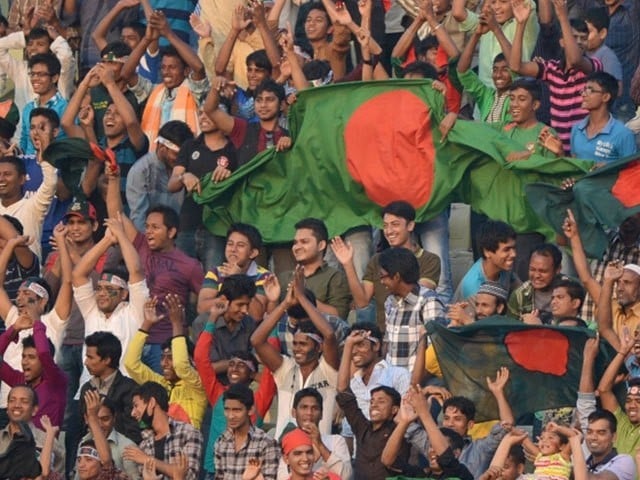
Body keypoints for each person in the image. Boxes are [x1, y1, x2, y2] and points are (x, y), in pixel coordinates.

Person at [106, 164, 204, 372]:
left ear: (172, 232)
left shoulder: (190, 265)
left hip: (167, 346)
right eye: (148, 227)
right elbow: (116, 214)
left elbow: (205, 300)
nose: (149, 232)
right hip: (135, 338)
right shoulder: (140, 245)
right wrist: (114, 179)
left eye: (155, 228)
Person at [251, 267, 339, 437]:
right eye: (295, 343)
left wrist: (301, 297)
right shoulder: (286, 368)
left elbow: (329, 334)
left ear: (318, 347)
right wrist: (285, 304)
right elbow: (256, 340)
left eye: (303, 344)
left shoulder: (328, 371)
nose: (297, 348)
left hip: (318, 454)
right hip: (285, 454)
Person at [331, 200, 440, 330]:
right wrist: (348, 264)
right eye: (385, 226)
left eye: (395, 224)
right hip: (384, 333)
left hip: (415, 329)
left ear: (410, 225)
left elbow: (418, 295)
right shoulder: (377, 260)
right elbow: (362, 301)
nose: (389, 231)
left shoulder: (429, 260)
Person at [195, 306, 277, 479]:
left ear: (252, 373)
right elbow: (201, 360)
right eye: (231, 364)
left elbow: (271, 372)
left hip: (247, 471)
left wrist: (272, 324)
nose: (233, 368)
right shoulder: (218, 393)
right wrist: (212, 319)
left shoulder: (257, 403)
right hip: (213, 471)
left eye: (241, 365)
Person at [509, 0, 601, 155]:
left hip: (582, 151)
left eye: (583, 38)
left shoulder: (592, 66)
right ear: (562, 42)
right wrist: (520, 24)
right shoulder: (552, 69)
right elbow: (516, 66)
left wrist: (563, 17)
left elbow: (575, 60)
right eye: (574, 37)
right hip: (557, 149)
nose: (579, 42)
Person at [72, 214, 147, 383]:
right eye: (99, 288)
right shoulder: (92, 311)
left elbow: (136, 271)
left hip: (124, 391)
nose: (102, 293)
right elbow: (78, 274)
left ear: (124, 294)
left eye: (109, 289)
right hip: (88, 389)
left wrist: (120, 235)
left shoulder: (134, 312)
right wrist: (106, 241)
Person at [406, 371, 514, 478]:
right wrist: (426, 390)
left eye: (457, 419)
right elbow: (405, 422)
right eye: (447, 418)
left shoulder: (480, 448)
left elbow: (507, 425)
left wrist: (498, 393)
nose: (450, 424)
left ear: (470, 424)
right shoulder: (431, 444)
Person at [167, 110, 237, 271]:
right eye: (200, 113)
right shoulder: (190, 146)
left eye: (209, 113)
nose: (203, 117)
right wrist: (184, 176)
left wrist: (230, 176)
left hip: (218, 226)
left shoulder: (234, 149)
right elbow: (171, 184)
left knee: (213, 280)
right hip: (188, 223)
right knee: (182, 277)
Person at [124, 295, 207, 428]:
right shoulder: (161, 384)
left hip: (187, 445)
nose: (163, 363)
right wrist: (147, 324)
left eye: (170, 357)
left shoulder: (197, 385)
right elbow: (130, 364)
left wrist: (176, 323)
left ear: (190, 360)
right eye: (162, 357)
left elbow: (181, 366)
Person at [127, 11, 208, 146]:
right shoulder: (154, 91)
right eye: (163, 67)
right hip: (156, 158)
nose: (166, 72)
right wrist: (146, 39)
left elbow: (199, 68)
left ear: (186, 70)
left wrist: (168, 34)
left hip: (186, 158)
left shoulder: (194, 91)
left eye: (172, 67)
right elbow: (127, 74)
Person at [339, 325, 410, 447]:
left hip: (391, 454)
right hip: (361, 459)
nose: (354, 351)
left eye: (360, 345)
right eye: (352, 346)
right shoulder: (354, 383)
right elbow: (348, 433)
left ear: (376, 346)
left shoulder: (398, 375)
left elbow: (406, 419)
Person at [382, 386, 474, 480]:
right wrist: (404, 422)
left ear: (456, 454)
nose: (432, 451)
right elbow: (388, 462)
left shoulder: (461, 474)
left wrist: (423, 412)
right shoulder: (420, 475)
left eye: (437, 448)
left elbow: (446, 458)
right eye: (430, 446)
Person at [379, 247, 446, 371]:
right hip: (391, 382)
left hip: (418, 384)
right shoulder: (389, 302)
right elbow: (387, 344)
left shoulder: (429, 302)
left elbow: (436, 353)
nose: (381, 281)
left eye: (383, 277)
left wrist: (414, 384)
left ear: (397, 277)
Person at [203, 77, 291, 170]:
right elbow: (210, 110)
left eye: (269, 99)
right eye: (259, 100)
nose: (263, 105)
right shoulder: (243, 129)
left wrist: (289, 144)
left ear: (281, 105)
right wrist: (215, 87)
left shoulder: (290, 136)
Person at [124, 381, 203, 480]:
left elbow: (189, 476)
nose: (133, 413)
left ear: (151, 403)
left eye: (136, 406)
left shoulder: (188, 433)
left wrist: (148, 460)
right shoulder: (144, 444)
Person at [126, 120, 194, 232]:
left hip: (180, 236)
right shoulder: (140, 171)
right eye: (176, 154)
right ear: (162, 147)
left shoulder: (187, 166)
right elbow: (139, 218)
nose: (180, 159)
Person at [196, 223, 271, 324]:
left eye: (240, 245)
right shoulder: (215, 273)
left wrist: (239, 278)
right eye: (230, 244)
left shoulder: (264, 277)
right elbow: (202, 308)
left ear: (253, 253)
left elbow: (256, 315)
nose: (233, 249)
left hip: (250, 333)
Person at [280, 218, 351, 320]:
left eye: (304, 242)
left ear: (321, 245)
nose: (297, 247)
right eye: (295, 242)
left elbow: (339, 317)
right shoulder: (284, 277)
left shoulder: (335, 276)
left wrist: (303, 296)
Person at [78, 331, 141, 444]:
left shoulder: (130, 389)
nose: (85, 362)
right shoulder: (87, 388)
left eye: (91, 358)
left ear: (107, 360)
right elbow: (81, 428)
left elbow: (133, 431)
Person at [277, 388, 352, 480]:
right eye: (304, 407)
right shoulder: (288, 442)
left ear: (321, 414)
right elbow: (282, 477)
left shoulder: (336, 441)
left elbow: (346, 476)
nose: (309, 413)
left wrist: (319, 444)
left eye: (315, 408)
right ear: (294, 413)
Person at [213, 383, 280, 480]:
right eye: (227, 410)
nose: (231, 416)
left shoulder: (266, 444)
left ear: (251, 410)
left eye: (237, 410)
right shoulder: (221, 442)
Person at [456, 9, 512, 123]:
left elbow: (515, 65)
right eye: (495, 70)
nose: (498, 75)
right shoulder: (486, 95)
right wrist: (476, 35)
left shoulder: (519, 98)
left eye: (505, 70)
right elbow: (462, 72)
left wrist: (496, 29)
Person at [569, 72, 636, 164]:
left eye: (590, 90)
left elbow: (631, 173)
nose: (583, 94)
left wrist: (608, 171)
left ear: (605, 97)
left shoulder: (623, 134)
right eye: (584, 90)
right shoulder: (576, 129)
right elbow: (574, 166)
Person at [76, 395, 141, 480]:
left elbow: (107, 463)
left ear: (114, 418)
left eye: (105, 419)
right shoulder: (83, 442)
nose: (99, 425)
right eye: (95, 419)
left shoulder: (127, 447)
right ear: (86, 419)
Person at [597, 330, 640, 455]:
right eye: (628, 400)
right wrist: (622, 352)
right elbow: (604, 390)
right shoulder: (621, 422)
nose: (632, 405)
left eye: (638, 401)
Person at [456, 220, 520, 301]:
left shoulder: (503, 266)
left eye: (514, 248)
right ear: (487, 252)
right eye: (506, 250)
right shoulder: (474, 288)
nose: (514, 254)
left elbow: (522, 289)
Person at [20, 53, 67, 155]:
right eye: (32, 74)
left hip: (55, 166)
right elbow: (24, 141)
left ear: (54, 78)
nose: (35, 79)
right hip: (29, 167)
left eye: (41, 74)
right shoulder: (28, 108)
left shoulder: (66, 108)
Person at [508, 243, 563, 324]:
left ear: (557, 269)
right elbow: (510, 328)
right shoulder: (519, 295)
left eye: (543, 271)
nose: (536, 275)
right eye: (532, 269)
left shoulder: (571, 291)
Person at [0, 385, 45, 478]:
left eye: (24, 401)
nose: (17, 405)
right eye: (12, 400)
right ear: (7, 408)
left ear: (34, 410)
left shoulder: (46, 440)